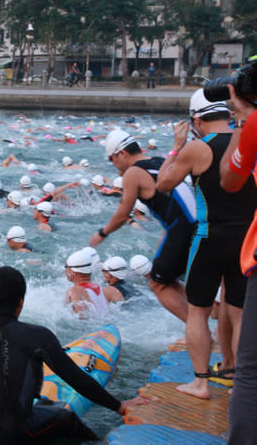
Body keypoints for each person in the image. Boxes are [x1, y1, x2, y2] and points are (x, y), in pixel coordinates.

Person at [0, 266, 148, 444]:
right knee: (67, 418)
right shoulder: (38, 336)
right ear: (21, 302)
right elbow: (76, 379)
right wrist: (118, 406)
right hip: (17, 433)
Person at [156, 89, 256, 400]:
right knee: (239, 313)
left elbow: (163, 184)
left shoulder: (198, 148)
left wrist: (175, 148)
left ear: (196, 120)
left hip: (209, 237)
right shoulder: (248, 140)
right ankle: (242, 382)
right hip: (247, 241)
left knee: (198, 312)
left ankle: (201, 383)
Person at [89, 129, 193, 324]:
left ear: (122, 153)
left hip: (181, 231)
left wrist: (102, 234)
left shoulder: (134, 172)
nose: (113, 164)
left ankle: (198, 329)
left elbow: (122, 214)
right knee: (168, 281)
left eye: (112, 159)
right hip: (195, 227)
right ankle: (210, 317)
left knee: (156, 284)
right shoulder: (160, 161)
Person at [212, 83, 257, 442]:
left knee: (250, 376)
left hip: (246, 248)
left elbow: (229, 179)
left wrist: (242, 118)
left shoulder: (253, 122)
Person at [65, 249, 109, 317]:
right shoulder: (98, 287)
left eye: (66, 267)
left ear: (72, 272)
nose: (65, 270)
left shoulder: (75, 291)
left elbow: (80, 317)